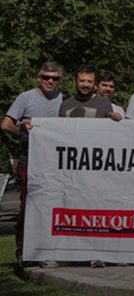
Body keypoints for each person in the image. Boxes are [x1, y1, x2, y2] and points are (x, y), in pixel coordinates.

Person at [1, 61, 63, 265]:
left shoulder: (62, 99)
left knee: (52, 207)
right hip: (29, 160)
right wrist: (25, 134)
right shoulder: (25, 98)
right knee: (27, 207)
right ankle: (22, 252)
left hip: (54, 162)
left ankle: (47, 251)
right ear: (39, 78)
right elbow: (6, 124)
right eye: (46, 77)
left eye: (55, 78)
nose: (50, 81)